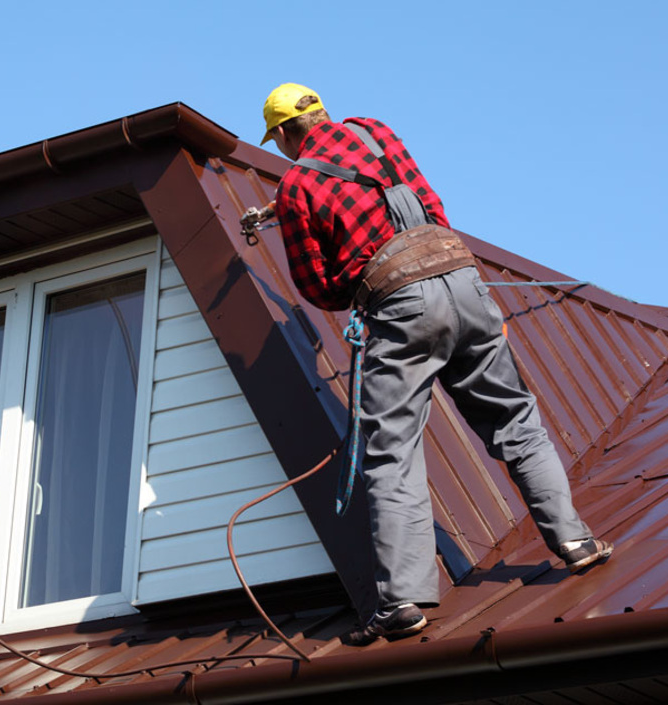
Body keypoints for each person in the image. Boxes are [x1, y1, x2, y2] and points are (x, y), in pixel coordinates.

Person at [261, 83, 613, 642]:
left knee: (391, 451)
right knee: (514, 421)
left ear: (282, 134)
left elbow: (316, 286)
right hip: (463, 279)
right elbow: (431, 206)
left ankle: (402, 601)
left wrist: (362, 283)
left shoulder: (298, 184)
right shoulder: (374, 131)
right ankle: (575, 540)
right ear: (322, 112)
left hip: (401, 306)